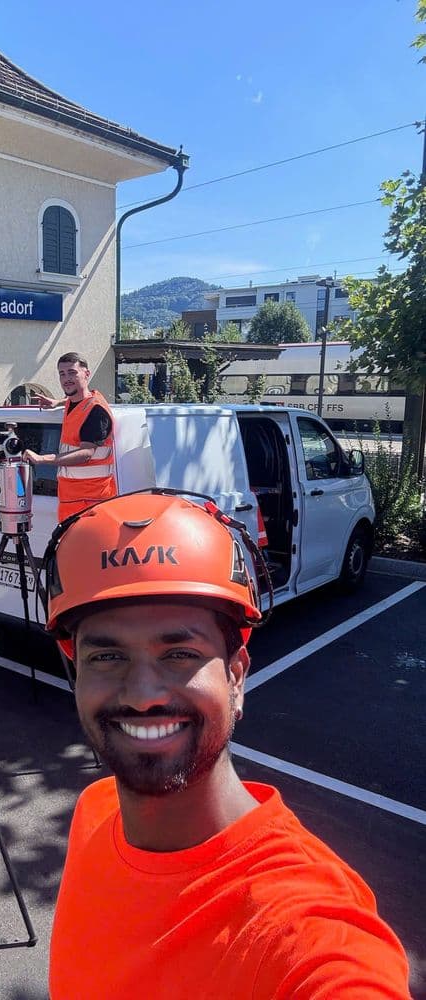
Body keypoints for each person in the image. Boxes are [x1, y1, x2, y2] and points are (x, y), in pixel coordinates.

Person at [44, 491, 411, 999]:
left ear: (236, 676)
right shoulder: (95, 812)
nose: (144, 695)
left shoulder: (302, 930)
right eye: (107, 656)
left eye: (179, 652)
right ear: (76, 671)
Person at [21, 352, 116, 520]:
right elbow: (75, 399)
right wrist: (57, 402)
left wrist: (43, 460)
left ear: (86, 374)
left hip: (90, 503)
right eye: (62, 374)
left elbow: (86, 454)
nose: (67, 379)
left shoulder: (95, 410)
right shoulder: (76, 402)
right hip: (73, 499)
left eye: (72, 372)